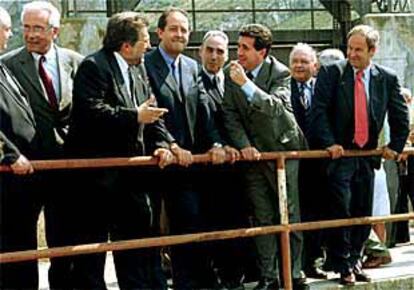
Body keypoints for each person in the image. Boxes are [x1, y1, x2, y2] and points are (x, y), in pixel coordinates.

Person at [65, 12, 187, 289]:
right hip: (96, 181)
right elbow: (90, 111)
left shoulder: (139, 68)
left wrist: (166, 144)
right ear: (126, 45)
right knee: (91, 254)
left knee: (136, 248)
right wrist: (134, 116)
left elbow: (152, 114)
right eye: (145, 40)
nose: (149, 46)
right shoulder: (93, 66)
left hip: (132, 180)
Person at [310, 24, 410, 285]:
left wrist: (395, 146)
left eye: (358, 50)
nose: (351, 54)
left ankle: (355, 259)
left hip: (367, 156)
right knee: (341, 208)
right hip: (340, 155)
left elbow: (400, 115)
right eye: (349, 48)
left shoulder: (385, 78)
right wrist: (329, 143)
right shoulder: (333, 73)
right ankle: (342, 263)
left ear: (372, 51)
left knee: (363, 211)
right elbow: (318, 111)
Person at [1, 1, 83, 288]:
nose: (31, 34)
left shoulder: (75, 62)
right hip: (24, 171)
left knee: (65, 238)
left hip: (66, 168)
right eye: (26, 27)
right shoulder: (8, 65)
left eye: (38, 28)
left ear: (55, 31)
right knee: (19, 240)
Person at [144, 7, 226, 289]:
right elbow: (150, 110)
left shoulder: (191, 67)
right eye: (174, 29)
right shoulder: (144, 65)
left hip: (190, 163)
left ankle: (189, 282)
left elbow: (204, 111)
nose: (179, 34)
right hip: (158, 159)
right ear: (160, 33)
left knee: (190, 221)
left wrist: (216, 142)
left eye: (184, 30)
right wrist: (171, 144)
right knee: (153, 227)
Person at [223, 23, 308, 290]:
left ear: (263, 52)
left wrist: (246, 84)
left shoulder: (280, 73)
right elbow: (230, 113)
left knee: (289, 213)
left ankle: (293, 273)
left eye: (245, 48)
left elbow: (275, 108)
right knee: (262, 217)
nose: (239, 53)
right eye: (238, 47)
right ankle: (269, 276)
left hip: (282, 150)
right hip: (254, 155)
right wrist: (244, 144)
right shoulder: (232, 74)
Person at [197, 30, 252, 290]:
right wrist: (217, 144)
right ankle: (214, 277)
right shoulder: (191, 80)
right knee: (210, 224)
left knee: (238, 221)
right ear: (200, 52)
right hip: (207, 167)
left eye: (220, 51)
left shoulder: (234, 81)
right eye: (210, 50)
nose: (214, 56)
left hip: (237, 168)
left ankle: (235, 276)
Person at [0, 6, 39, 289]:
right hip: (6, 173)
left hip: (19, 182)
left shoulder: (3, 65)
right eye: (7, 28)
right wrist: (9, 153)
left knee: (21, 246)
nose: (11, 34)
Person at [289, 42, 328, 279]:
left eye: (304, 62)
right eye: (295, 61)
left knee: (318, 213)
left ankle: (313, 261)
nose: (299, 66)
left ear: (315, 66)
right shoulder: (283, 87)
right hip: (292, 162)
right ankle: (294, 266)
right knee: (294, 215)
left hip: (319, 163)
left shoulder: (323, 90)